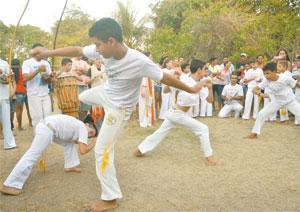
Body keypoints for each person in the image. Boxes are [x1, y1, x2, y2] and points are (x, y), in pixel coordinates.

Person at [30, 18, 203, 211]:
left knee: (101, 150)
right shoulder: (102, 48)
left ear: (111, 41)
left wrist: (191, 89)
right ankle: (91, 126)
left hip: (119, 108)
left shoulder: (139, 61)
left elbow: (165, 77)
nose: (96, 49)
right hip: (105, 92)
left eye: (98, 44)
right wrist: (47, 53)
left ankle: (110, 198)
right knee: (84, 96)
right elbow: (78, 50)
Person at [133, 59, 217, 165]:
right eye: (205, 68)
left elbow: (210, 100)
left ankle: (139, 150)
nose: (207, 71)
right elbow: (165, 90)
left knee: (160, 132)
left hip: (176, 113)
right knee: (203, 129)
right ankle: (209, 158)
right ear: (199, 70)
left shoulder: (201, 84)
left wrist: (210, 89)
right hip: (177, 113)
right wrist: (172, 81)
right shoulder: (184, 79)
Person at [0, 114, 97, 196]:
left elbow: (73, 140)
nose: (89, 135)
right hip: (47, 129)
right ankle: (10, 184)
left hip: (47, 127)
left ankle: (71, 165)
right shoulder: (83, 128)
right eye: (91, 131)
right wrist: (94, 142)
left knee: (68, 143)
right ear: (87, 124)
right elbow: (83, 151)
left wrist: (84, 140)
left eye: (90, 136)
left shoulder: (77, 124)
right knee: (32, 155)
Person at [246, 62, 300, 139]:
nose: (266, 76)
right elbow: (254, 89)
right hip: (277, 102)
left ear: (274, 71)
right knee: (261, 113)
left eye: (268, 73)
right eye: (264, 74)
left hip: (290, 101)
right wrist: (261, 94)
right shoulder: (266, 80)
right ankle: (254, 133)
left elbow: (296, 85)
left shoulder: (285, 78)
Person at [22, 43, 52, 130]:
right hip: (34, 95)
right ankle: (39, 137)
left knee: (48, 117)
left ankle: (47, 137)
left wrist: (51, 77)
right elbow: (25, 78)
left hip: (45, 94)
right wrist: (38, 70)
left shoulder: (46, 63)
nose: (43, 53)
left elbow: (48, 79)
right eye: (41, 51)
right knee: (37, 118)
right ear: (35, 52)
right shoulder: (27, 62)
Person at [10, 59, 32, 130]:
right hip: (25, 91)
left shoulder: (11, 72)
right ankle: (31, 122)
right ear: (19, 64)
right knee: (29, 109)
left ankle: (19, 126)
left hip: (17, 92)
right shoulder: (22, 71)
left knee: (19, 110)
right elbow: (26, 80)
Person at [0, 59, 16, 150]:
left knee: (6, 121)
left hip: (4, 95)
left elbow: (12, 78)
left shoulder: (4, 63)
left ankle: (9, 143)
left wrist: (9, 77)